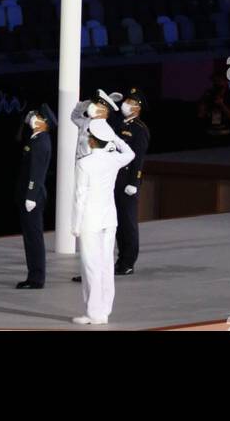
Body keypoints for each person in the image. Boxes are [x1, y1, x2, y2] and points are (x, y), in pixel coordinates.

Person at [72, 120, 135, 325]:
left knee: (90, 266)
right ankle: (104, 309)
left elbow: (80, 196)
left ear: (92, 140)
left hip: (90, 219)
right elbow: (131, 154)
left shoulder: (84, 163)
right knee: (106, 264)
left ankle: (93, 313)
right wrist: (114, 138)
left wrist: (75, 224)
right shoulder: (113, 159)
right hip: (109, 218)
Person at [16, 103, 56, 290]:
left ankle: (37, 277)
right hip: (27, 194)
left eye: (37, 116)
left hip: (33, 196)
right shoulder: (34, 138)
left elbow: (36, 173)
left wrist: (31, 195)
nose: (33, 118)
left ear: (44, 122)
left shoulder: (41, 142)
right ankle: (33, 275)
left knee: (34, 238)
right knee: (30, 237)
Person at [114, 89, 150, 277]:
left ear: (138, 107)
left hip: (128, 182)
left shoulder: (139, 129)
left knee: (128, 222)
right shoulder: (120, 125)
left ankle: (128, 262)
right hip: (116, 179)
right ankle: (121, 259)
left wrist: (134, 182)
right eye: (126, 100)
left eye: (130, 101)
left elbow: (138, 159)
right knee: (118, 223)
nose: (126, 104)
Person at [71, 89, 121, 160]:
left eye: (97, 106)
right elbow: (74, 117)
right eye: (93, 104)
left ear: (104, 111)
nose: (92, 107)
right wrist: (85, 104)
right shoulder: (87, 121)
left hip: (91, 166)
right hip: (79, 163)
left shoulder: (106, 129)